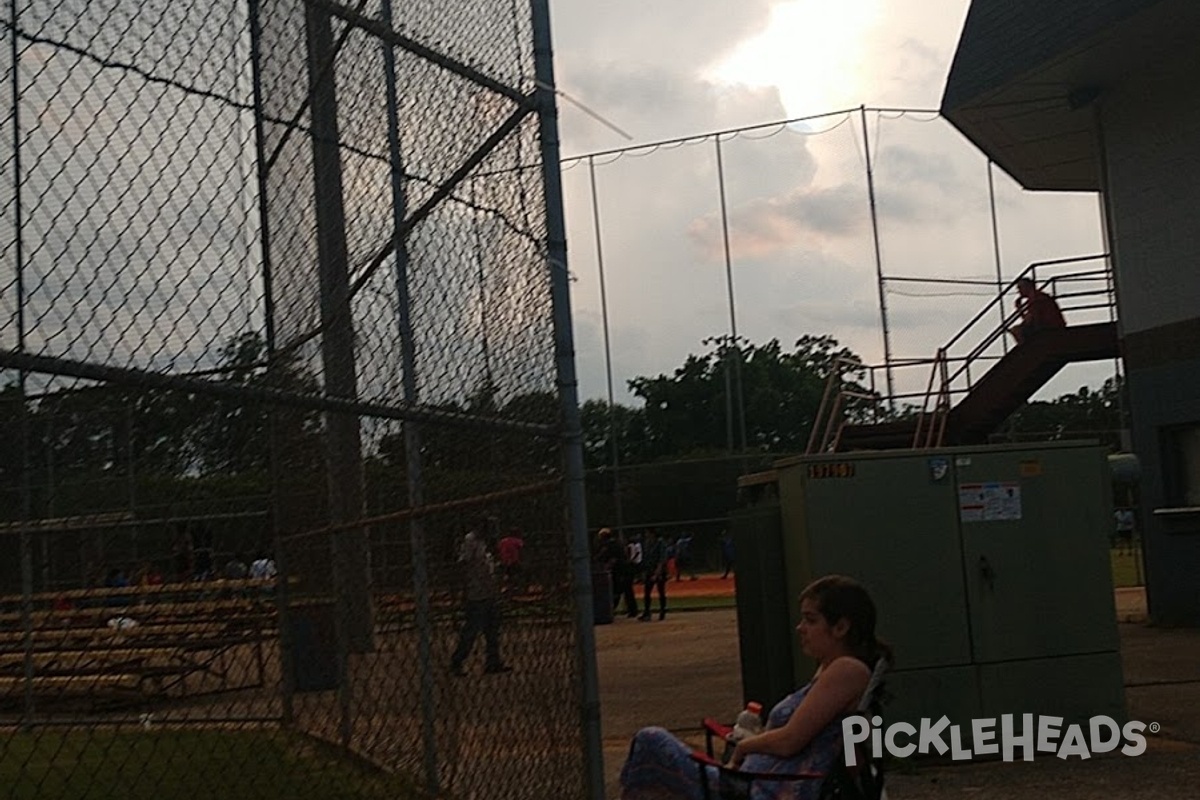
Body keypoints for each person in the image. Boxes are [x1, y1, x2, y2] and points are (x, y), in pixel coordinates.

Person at [619, 574, 889, 800]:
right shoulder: (831, 669)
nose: (800, 628)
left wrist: (744, 747)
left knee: (650, 740)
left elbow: (790, 741)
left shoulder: (847, 670)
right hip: (757, 781)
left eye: (810, 620)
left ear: (840, 627)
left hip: (766, 790)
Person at [450, 524, 512, 676]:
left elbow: (490, 566)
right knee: (471, 630)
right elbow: (463, 563)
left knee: (492, 630)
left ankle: (493, 661)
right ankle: (457, 661)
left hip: (489, 592)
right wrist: (464, 589)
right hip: (476, 594)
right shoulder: (471, 540)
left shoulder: (487, 543)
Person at [1009, 277, 1065, 345]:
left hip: (1048, 327)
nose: (1019, 291)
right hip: (1050, 325)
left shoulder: (1036, 298)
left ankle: (1027, 348)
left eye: (1020, 287)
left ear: (1027, 286)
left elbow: (1029, 320)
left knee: (1016, 330)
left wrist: (1020, 310)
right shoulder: (1037, 297)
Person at [639, 529, 668, 622]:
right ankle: (647, 612)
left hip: (658, 571)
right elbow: (645, 559)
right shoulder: (647, 544)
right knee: (647, 592)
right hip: (649, 570)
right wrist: (644, 572)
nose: (646, 535)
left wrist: (657, 573)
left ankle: (662, 611)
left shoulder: (660, 543)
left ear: (653, 534)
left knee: (661, 591)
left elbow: (662, 559)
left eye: (648, 533)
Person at [497, 527, 525, 593]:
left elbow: (498, 550)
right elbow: (521, 550)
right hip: (513, 561)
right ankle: (516, 587)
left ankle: (505, 587)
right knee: (518, 573)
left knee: (506, 573)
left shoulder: (502, 541)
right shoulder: (517, 541)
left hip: (503, 561)